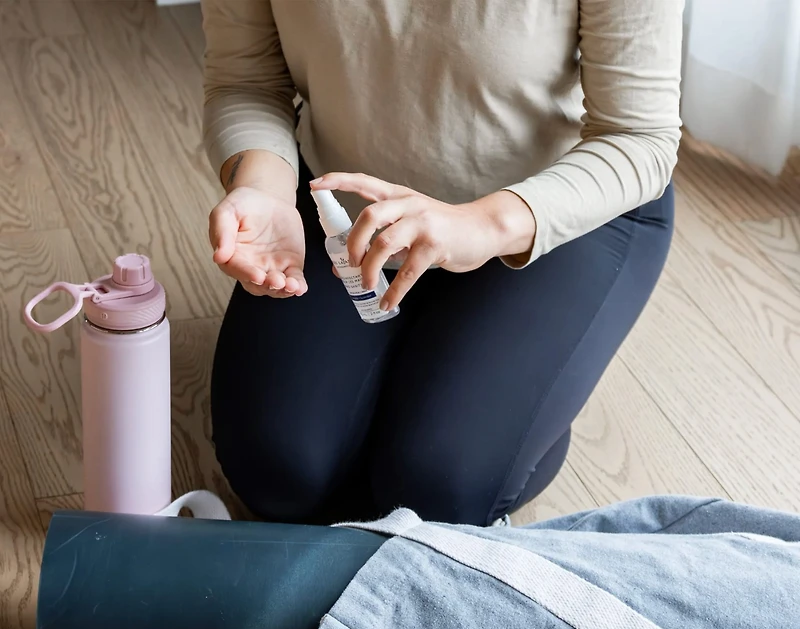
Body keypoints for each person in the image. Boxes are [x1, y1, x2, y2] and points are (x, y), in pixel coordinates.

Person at [202, 0, 682, 526]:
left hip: (549, 211)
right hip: (344, 205)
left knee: (437, 489)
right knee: (278, 472)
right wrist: (264, 189)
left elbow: (638, 137)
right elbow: (247, 81)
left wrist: (482, 225)